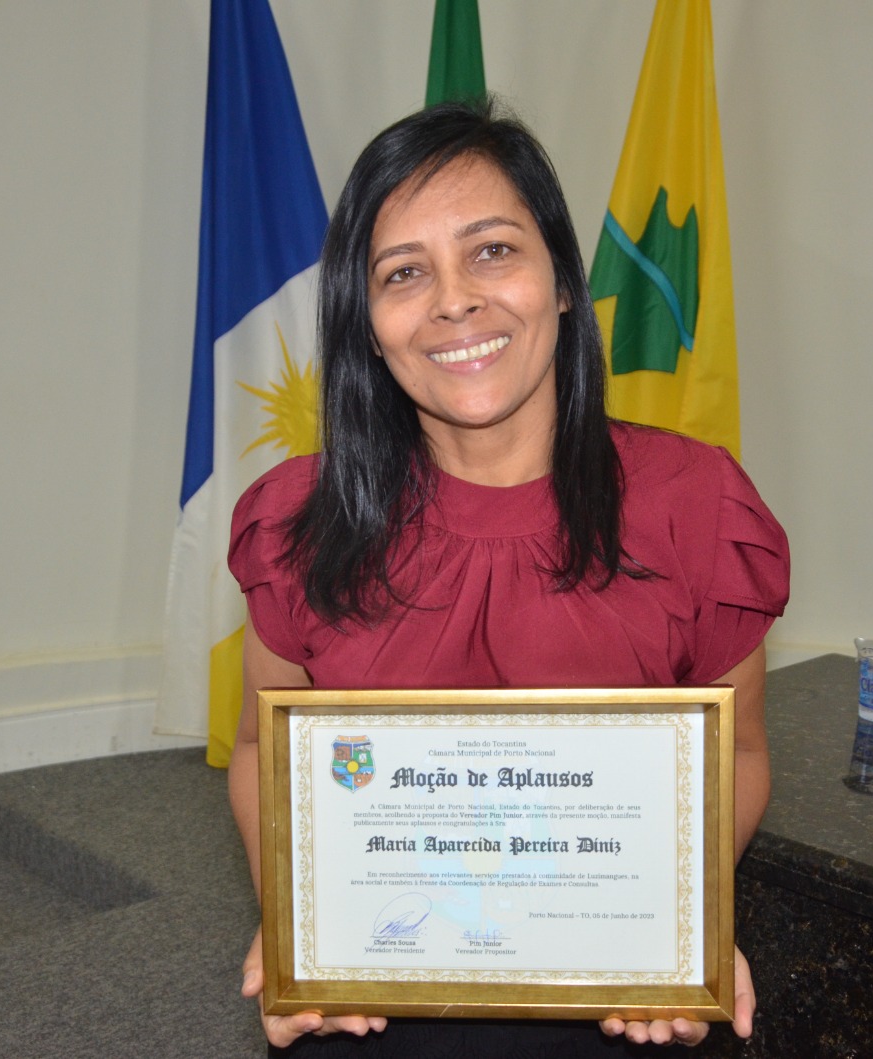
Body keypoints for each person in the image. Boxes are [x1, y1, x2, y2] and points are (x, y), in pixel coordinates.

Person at [226, 98, 789, 1055]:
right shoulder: (296, 519)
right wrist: (296, 914)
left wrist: (679, 915)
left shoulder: (695, 504)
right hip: (369, 1002)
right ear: (366, 322)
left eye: (492, 251)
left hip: (616, 1010)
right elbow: (257, 748)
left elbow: (737, 753)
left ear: (564, 282)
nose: (454, 301)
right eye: (404, 272)